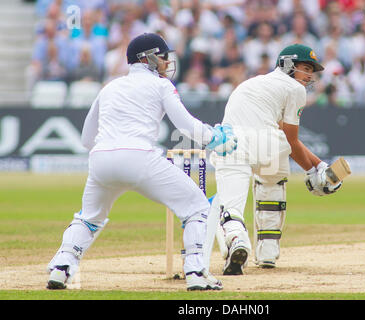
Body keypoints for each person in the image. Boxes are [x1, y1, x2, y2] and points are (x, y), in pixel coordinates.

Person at [46, 33, 238, 291]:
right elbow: (186, 126)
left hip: (101, 159)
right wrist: (216, 137)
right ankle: (196, 271)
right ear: (147, 58)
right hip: (139, 157)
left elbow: (85, 139)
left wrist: (111, 152)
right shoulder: (161, 86)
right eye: (162, 56)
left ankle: (61, 268)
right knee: (197, 208)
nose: (166, 62)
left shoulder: (109, 87)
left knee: (88, 218)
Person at [204, 44, 343, 275]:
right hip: (267, 146)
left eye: (312, 71)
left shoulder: (256, 83)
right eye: (306, 68)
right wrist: (313, 171)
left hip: (232, 144)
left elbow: (288, 138)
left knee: (232, 208)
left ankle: (238, 240)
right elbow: (290, 140)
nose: (309, 76)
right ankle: (267, 251)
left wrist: (318, 166)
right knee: (272, 185)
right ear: (288, 64)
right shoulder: (295, 90)